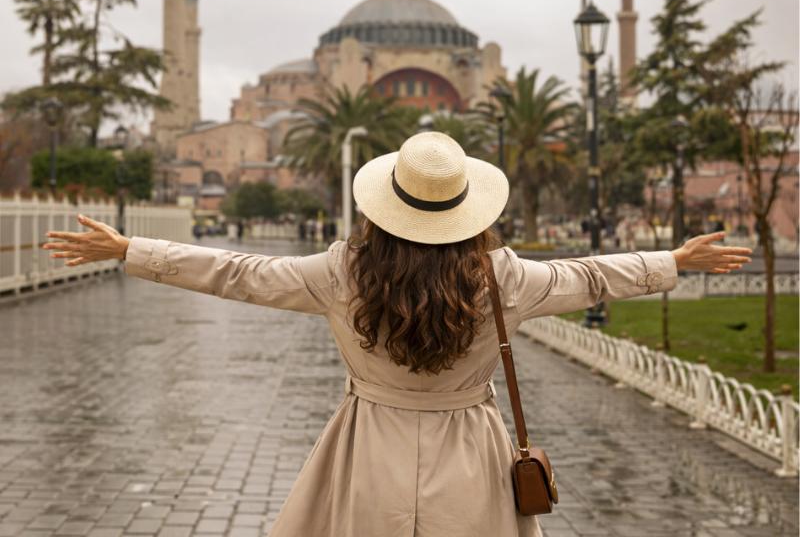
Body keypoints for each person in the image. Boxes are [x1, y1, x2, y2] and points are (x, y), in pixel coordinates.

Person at [42, 132, 752, 537]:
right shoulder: (503, 278)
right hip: (470, 453)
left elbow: (239, 273)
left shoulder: (340, 272)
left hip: (367, 446)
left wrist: (133, 250)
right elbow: (592, 276)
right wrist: (671, 262)